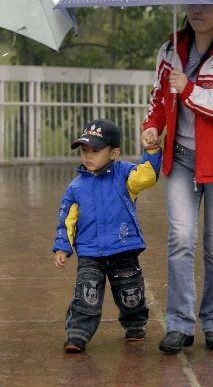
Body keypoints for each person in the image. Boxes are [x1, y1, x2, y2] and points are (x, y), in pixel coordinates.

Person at [141, 4, 213, 354]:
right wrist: (152, 126)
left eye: (206, 4)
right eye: (191, 3)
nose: (196, 10)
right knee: (180, 238)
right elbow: (159, 98)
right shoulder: (170, 49)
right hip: (180, 162)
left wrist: (188, 89)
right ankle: (179, 324)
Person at [53, 118, 162, 353]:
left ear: (114, 152)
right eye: (84, 150)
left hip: (123, 248)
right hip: (90, 252)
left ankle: (134, 325)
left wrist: (151, 150)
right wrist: (63, 246)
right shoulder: (76, 187)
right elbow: (67, 220)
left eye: (95, 150)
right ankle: (77, 334)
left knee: (130, 291)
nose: (88, 156)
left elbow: (148, 176)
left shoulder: (124, 174)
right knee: (86, 294)